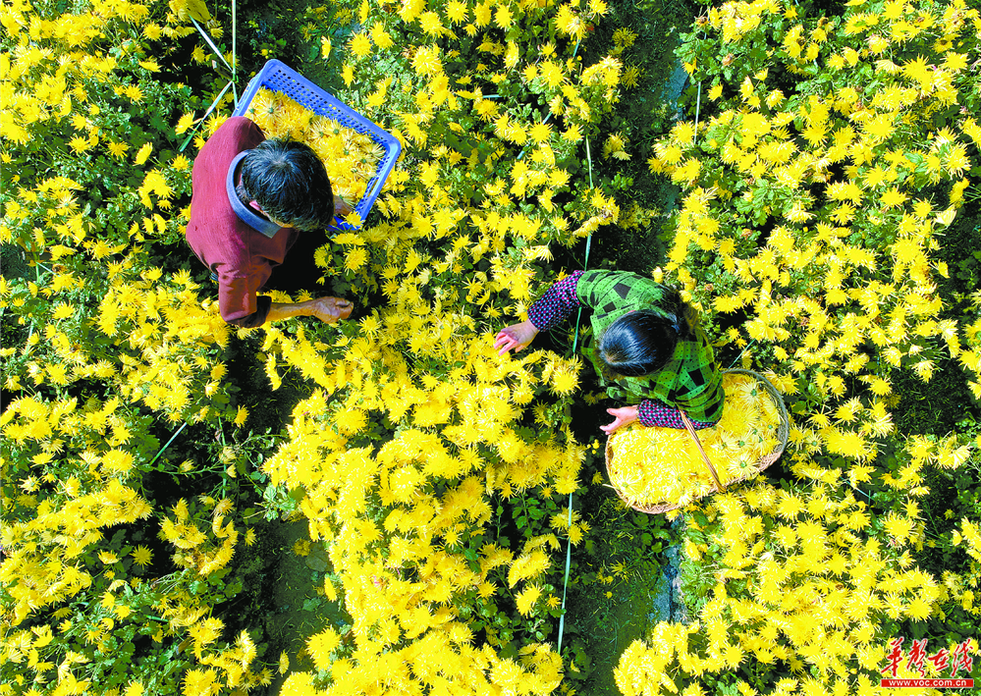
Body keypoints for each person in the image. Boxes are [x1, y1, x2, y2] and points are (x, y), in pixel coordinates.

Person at [494, 270, 724, 434]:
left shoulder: (694, 378)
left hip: (643, 391)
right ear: (629, 313)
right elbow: (572, 286)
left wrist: (639, 413)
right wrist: (531, 326)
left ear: (651, 371)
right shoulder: (623, 293)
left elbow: (705, 418)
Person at [186, 116, 354, 327]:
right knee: (304, 274)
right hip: (218, 239)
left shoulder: (239, 131)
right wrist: (311, 306)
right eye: (297, 222)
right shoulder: (240, 260)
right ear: (266, 211)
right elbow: (240, 316)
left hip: (211, 197)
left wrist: (324, 203)